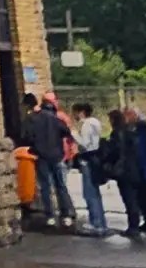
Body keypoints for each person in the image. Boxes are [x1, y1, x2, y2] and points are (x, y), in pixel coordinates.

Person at [27, 92, 76, 232]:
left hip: (41, 156)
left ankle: (50, 216)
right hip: (56, 156)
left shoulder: (33, 119)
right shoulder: (56, 119)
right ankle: (65, 214)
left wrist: (35, 147)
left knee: (45, 187)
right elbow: (66, 132)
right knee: (61, 185)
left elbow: (26, 135)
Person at [117, 107, 146, 238]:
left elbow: (145, 150)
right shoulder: (138, 130)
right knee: (144, 197)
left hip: (144, 169)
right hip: (142, 168)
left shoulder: (140, 130)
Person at [75, 106, 112, 237]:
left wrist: (73, 135)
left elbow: (85, 144)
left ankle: (96, 223)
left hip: (87, 159)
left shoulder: (86, 125)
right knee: (95, 192)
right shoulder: (96, 123)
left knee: (89, 192)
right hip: (96, 158)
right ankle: (101, 222)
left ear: (81, 112)